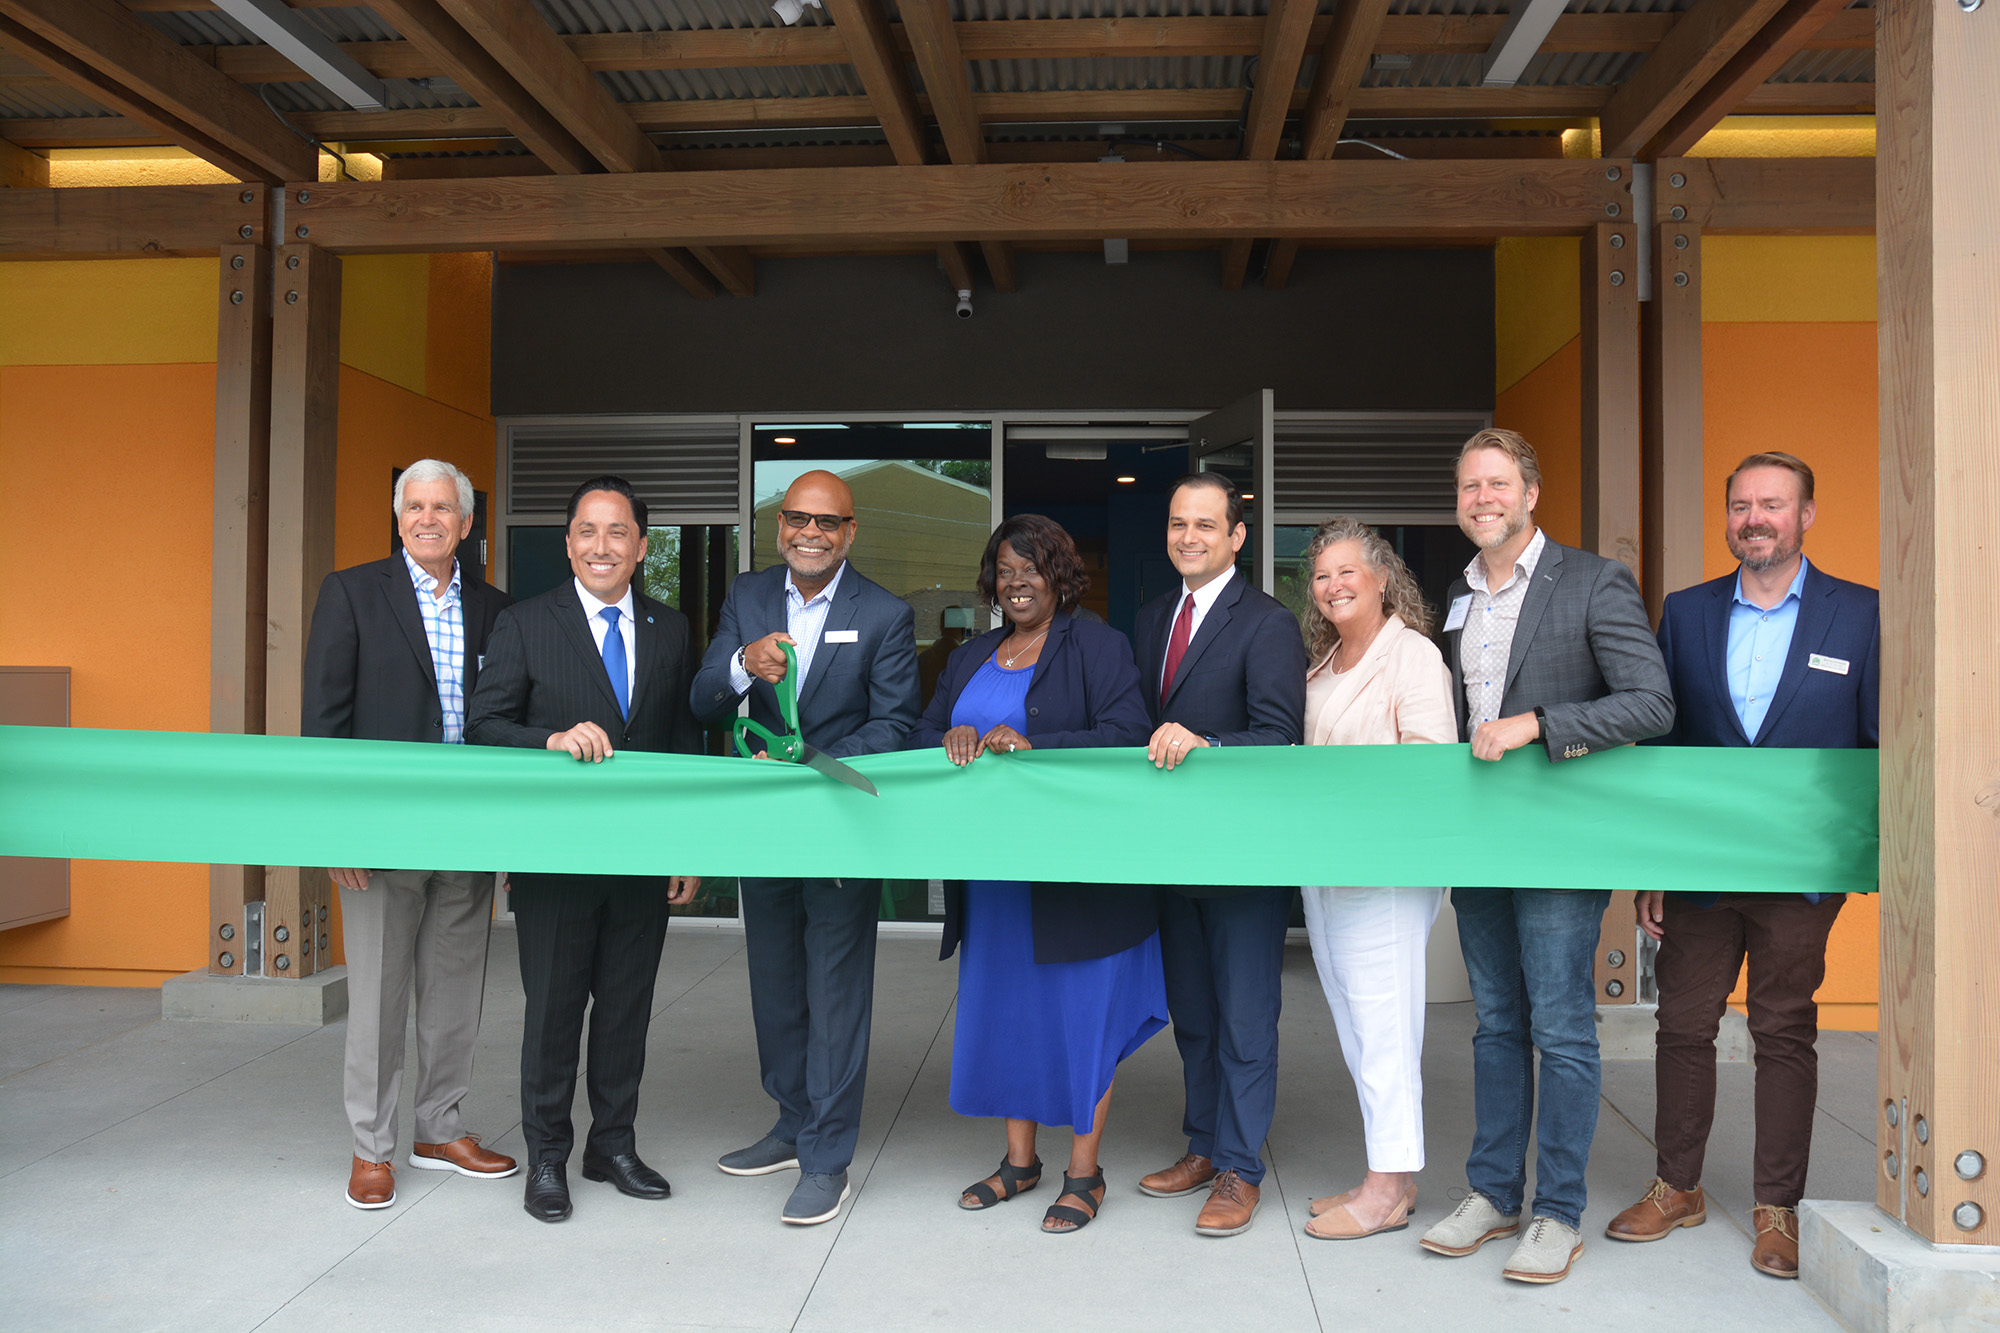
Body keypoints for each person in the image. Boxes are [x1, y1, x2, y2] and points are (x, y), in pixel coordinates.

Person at [1606, 452, 1878, 1278]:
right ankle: (1676, 1185)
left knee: (1783, 1030)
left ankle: (1778, 1208)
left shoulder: (1860, 614)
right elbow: (1660, 743)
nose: (1754, 518)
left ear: (1806, 515)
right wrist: (1654, 863)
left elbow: (1876, 747)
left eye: (1772, 504)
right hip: (1701, 867)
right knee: (1683, 1025)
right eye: (1740, 505)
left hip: (1801, 868)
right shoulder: (1686, 614)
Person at [1418, 428, 1674, 1284]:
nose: (1480, 498)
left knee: (1561, 1024)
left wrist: (1541, 724)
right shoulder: (1456, 593)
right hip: (1481, 838)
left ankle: (1558, 1211)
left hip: (1561, 840)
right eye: (1467, 486)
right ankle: (1494, 1192)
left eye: (1496, 483)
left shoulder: (1594, 580)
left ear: (1531, 492)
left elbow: (1651, 702)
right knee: (1496, 1023)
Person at [905, 514, 1162, 1235]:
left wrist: (1036, 742)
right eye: (1006, 570)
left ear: (1060, 576)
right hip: (994, 881)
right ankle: (1020, 1162)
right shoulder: (970, 654)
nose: (1018, 582)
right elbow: (922, 734)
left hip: (1077, 877)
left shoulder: (1099, 646)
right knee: (1012, 1015)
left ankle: (1085, 1171)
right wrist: (948, 735)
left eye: (1033, 568)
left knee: (1080, 1021)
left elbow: (1126, 734)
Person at [466, 475, 702, 1224]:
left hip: (641, 858)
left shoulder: (672, 627)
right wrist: (551, 738)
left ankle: (613, 1146)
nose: (603, 545)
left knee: (627, 1010)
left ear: (641, 544)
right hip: (556, 859)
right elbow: (485, 723)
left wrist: (686, 845)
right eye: (588, 531)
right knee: (555, 1012)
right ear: (569, 542)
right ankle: (547, 1156)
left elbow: (683, 743)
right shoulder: (526, 622)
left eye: (618, 531)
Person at [690, 469, 920, 1227]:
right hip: (766, 831)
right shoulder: (747, 598)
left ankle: (827, 1156)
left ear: (850, 532)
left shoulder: (884, 614)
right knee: (776, 983)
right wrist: (739, 664)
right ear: (779, 525)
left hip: (836, 832)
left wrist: (806, 761)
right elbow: (702, 699)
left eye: (827, 521)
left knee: (836, 991)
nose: (810, 532)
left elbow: (895, 727)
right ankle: (791, 1122)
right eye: (797, 518)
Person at [302, 458, 518, 1211]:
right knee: (380, 997)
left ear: (465, 522)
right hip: (381, 835)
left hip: (468, 830)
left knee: (456, 992)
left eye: (443, 507)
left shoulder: (496, 608)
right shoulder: (353, 593)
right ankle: (372, 1146)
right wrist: (337, 832)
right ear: (399, 519)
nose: (428, 518)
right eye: (415, 506)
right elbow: (323, 723)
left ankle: (439, 1128)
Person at [1133, 472, 1308, 1238]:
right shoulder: (1149, 619)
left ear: (1237, 537)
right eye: (1179, 523)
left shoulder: (1267, 622)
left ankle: (1240, 1168)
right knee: (1195, 1017)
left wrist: (1207, 743)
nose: (1189, 537)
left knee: (1244, 1018)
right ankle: (1202, 1145)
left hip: (1241, 862)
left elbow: (1279, 735)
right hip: (1173, 858)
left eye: (1207, 524)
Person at [1293, 517, 1456, 1241]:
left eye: (1346, 571)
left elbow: (1429, 768)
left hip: (1385, 870)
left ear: (1383, 577)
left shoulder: (1412, 657)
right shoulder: (1321, 664)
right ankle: (1387, 1174)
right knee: (1358, 1024)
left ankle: (1387, 1188)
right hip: (1324, 870)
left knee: (1386, 1025)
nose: (1333, 586)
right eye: (1322, 575)